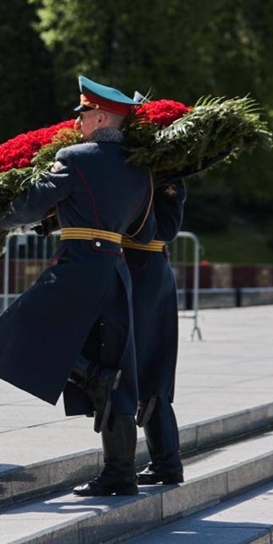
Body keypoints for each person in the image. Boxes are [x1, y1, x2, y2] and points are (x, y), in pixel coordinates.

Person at [0, 75, 154, 497]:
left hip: (77, 266)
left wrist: (2, 216)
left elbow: (34, 201)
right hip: (116, 268)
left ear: (102, 116)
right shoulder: (141, 169)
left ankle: (91, 377)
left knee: (19, 328)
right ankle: (120, 472)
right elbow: (145, 229)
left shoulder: (76, 156)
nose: (79, 121)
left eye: (85, 114)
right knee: (120, 369)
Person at [124, 179, 187, 485]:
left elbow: (166, 229)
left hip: (145, 272)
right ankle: (166, 461)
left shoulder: (165, 177)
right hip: (136, 269)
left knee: (151, 366)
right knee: (147, 367)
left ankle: (166, 461)